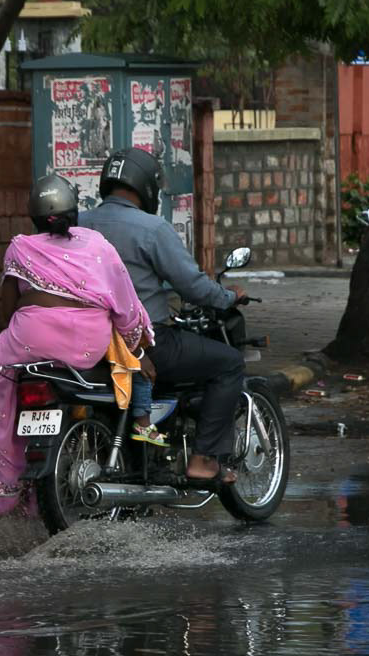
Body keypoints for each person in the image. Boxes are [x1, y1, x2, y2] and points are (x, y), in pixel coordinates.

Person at [0, 174, 154, 513]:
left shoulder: (20, 247)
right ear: (75, 210)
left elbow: (7, 310)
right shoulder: (97, 244)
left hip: (30, 340)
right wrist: (135, 348)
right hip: (88, 344)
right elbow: (126, 308)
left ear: (34, 216)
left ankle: (7, 483)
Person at [81, 148, 247, 485]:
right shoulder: (152, 228)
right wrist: (228, 297)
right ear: (146, 187)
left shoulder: (78, 223)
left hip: (86, 340)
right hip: (144, 341)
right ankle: (202, 460)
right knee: (229, 362)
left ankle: (149, 453)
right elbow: (192, 286)